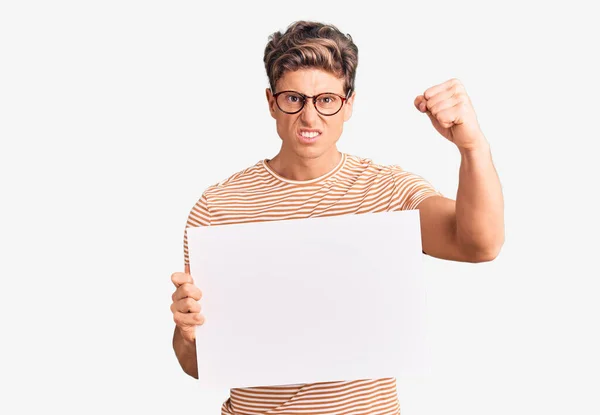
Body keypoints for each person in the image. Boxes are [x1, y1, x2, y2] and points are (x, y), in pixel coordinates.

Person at [170, 20, 504, 415]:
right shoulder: (219, 207)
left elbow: (479, 244)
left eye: (326, 99)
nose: (310, 117)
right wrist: (187, 332)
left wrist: (472, 147)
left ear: (349, 104)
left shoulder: (388, 191)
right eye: (294, 98)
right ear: (271, 101)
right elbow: (197, 366)